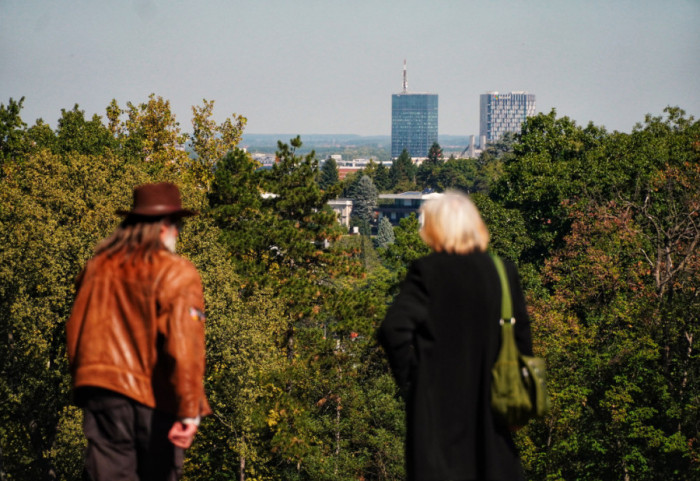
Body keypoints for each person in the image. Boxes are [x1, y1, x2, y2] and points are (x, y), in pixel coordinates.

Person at [378, 190, 532, 481]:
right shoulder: (502, 272)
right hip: (494, 411)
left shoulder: (427, 271)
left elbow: (393, 329)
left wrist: (412, 381)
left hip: (437, 414)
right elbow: (522, 339)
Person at [66, 182, 211, 480]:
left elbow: (76, 330)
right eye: (178, 225)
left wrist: (88, 385)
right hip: (154, 399)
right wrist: (189, 411)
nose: (178, 233)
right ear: (163, 228)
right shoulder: (177, 273)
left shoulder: (97, 268)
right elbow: (184, 348)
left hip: (102, 396)